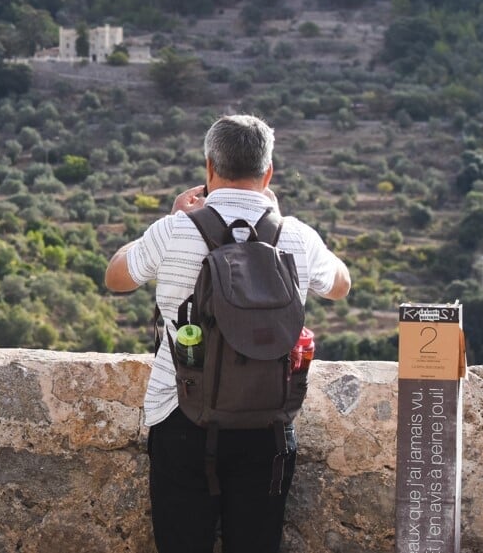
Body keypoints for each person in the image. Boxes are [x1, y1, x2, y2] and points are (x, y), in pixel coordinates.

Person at [105, 114, 351, 553]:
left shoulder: (175, 229)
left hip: (181, 417)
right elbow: (341, 285)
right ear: (268, 172)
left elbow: (116, 277)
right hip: (268, 424)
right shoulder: (296, 236)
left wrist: (172, 216)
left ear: (209, 168)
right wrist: (278, 217)